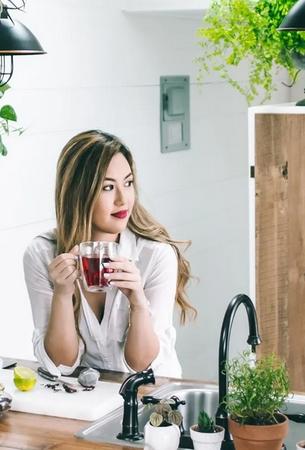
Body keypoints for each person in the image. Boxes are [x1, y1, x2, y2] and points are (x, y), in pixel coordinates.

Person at [23, 130, 195, 377]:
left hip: (155, 401)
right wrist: (62, 294)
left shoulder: (156, 256)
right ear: (78, 193)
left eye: (128, 183)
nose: (123, 199)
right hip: (91, 399)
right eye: (107, 187)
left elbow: (142, 366)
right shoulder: (42, 255)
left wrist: (137, 302)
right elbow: (61, 364)